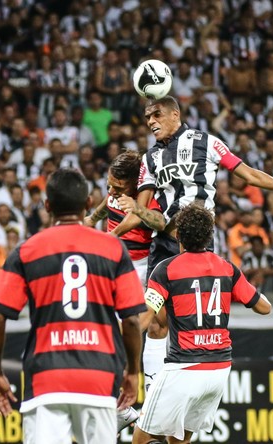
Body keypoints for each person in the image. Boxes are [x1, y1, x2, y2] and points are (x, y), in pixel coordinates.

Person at [114, 95, 273, 390]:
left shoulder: (207, 142)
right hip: (163, 245)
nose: (150, 121)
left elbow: (248, 174)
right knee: (157, 321)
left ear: (175, 114)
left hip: (200, 245)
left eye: (156, 115)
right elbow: (142, 207)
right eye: (147, 117)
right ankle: (152, 390)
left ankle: (191, 384)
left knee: (196, 322)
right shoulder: (150, 159)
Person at [0, 168, 146, 444]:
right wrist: (132, 371)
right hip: (99, 377)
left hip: (46, 379)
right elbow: (132, 320)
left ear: (47, 206)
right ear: (87, 205)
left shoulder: (26, 250)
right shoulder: (113, 248)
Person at [132, 202, 271, 444]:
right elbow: (264, 307)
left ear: (177, 235)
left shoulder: (165, 270)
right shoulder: (228, 268)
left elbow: (144, 319)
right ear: (209, 236)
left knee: (141, 438)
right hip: (219, 370)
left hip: (185, 367)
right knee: (179, 440)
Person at [85, 150, 166, 400]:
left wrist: (111, 235)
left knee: (157, 324)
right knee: (120, 329)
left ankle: (151, 393)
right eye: (109, 184)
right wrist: (92, 219)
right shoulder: (115, 192)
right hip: (114, 266)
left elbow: (154, 221)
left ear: (134, 184)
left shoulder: (147, 200)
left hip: (140, 269)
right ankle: (114, 394)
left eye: (118, 187)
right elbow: (106, 205)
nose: (111, 191)